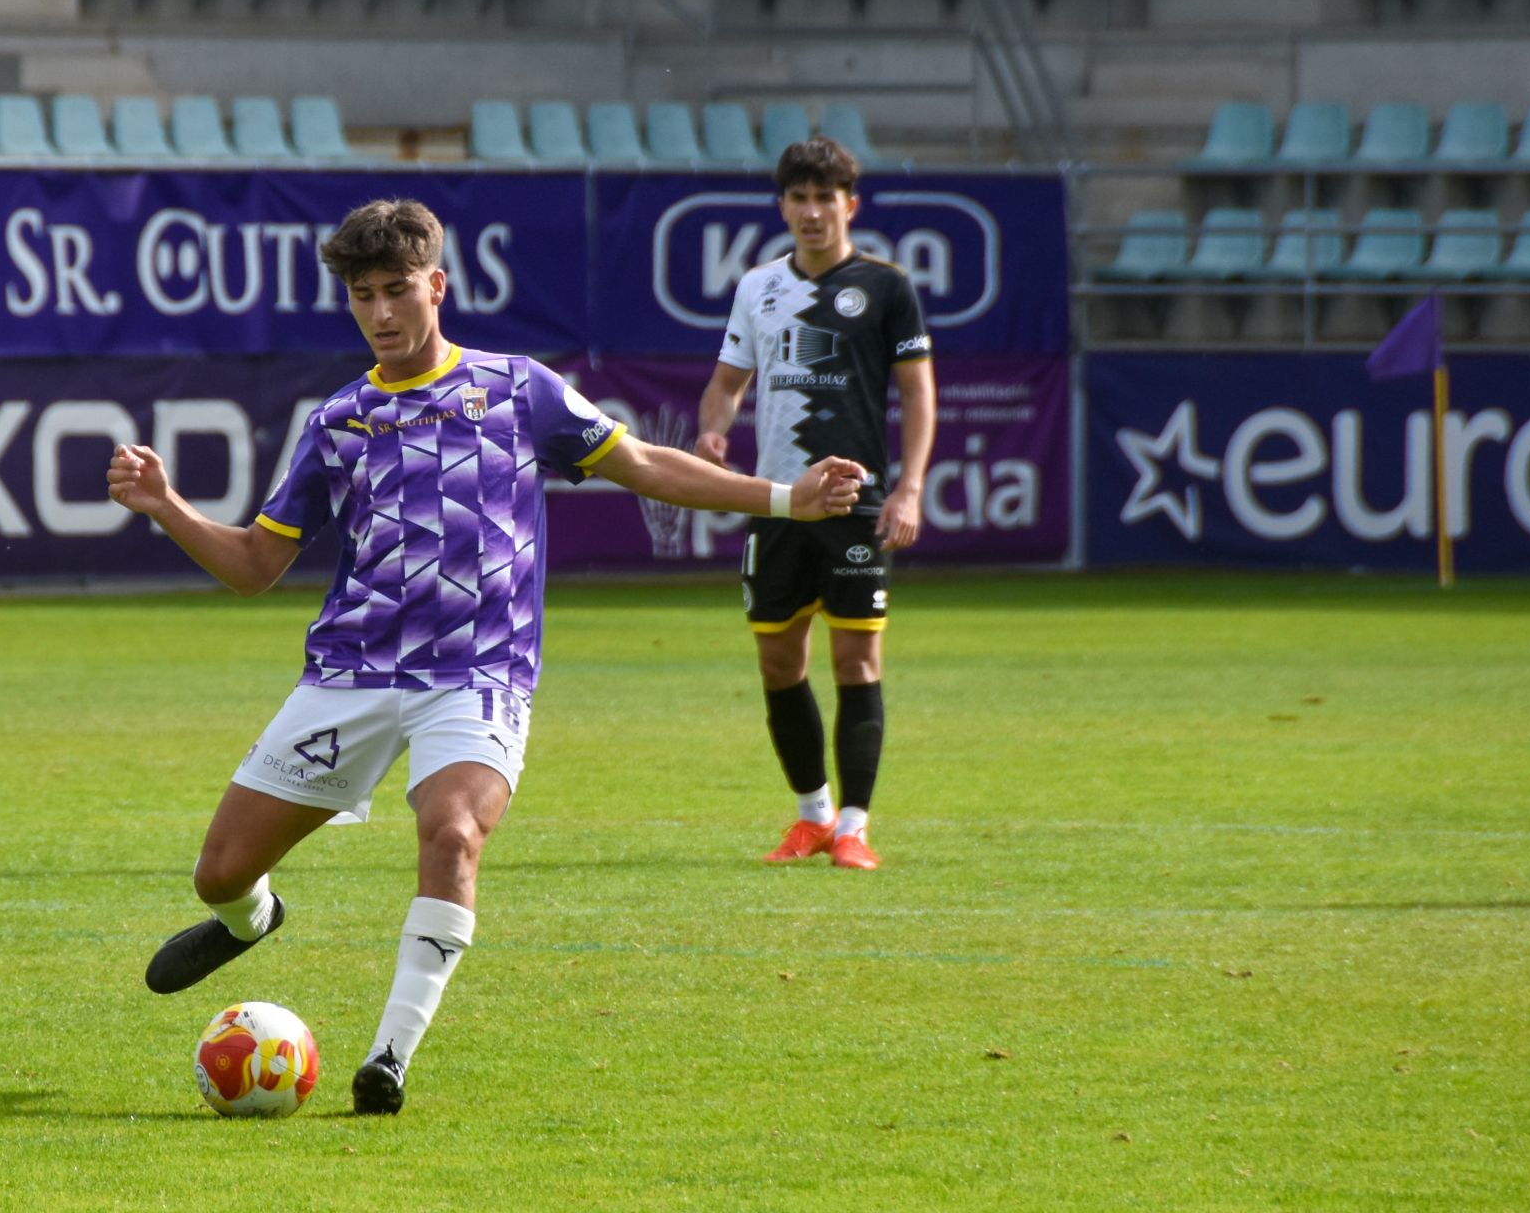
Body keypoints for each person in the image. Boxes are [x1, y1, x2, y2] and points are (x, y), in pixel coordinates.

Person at [106, 198, 864, 1117]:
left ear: (436, 285)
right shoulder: (339, 423)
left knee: (453, 835)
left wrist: (786, 498)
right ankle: (251, 919)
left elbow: (651, 467)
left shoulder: (516, 390)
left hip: (476, 677)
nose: (381, 313)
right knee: (218, 871)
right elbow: (256, 566)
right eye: (362, 297)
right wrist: (167, 507)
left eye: (396, 290)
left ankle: (387, 1057)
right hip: (350, 676)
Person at [692, 137, 937, 872]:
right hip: (777, 505)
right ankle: (813, 818)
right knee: (777, 662)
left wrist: (909, 488)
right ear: (783, 207)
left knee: (857, 661)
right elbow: (727, 381)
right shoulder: (758, 287)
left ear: (849, 206)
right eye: (798, 199)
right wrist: (712, 428)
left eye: (824, 199)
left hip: (854, 505)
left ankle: (856, 828)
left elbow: (919, 392)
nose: (811, 212)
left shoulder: (887, 288)